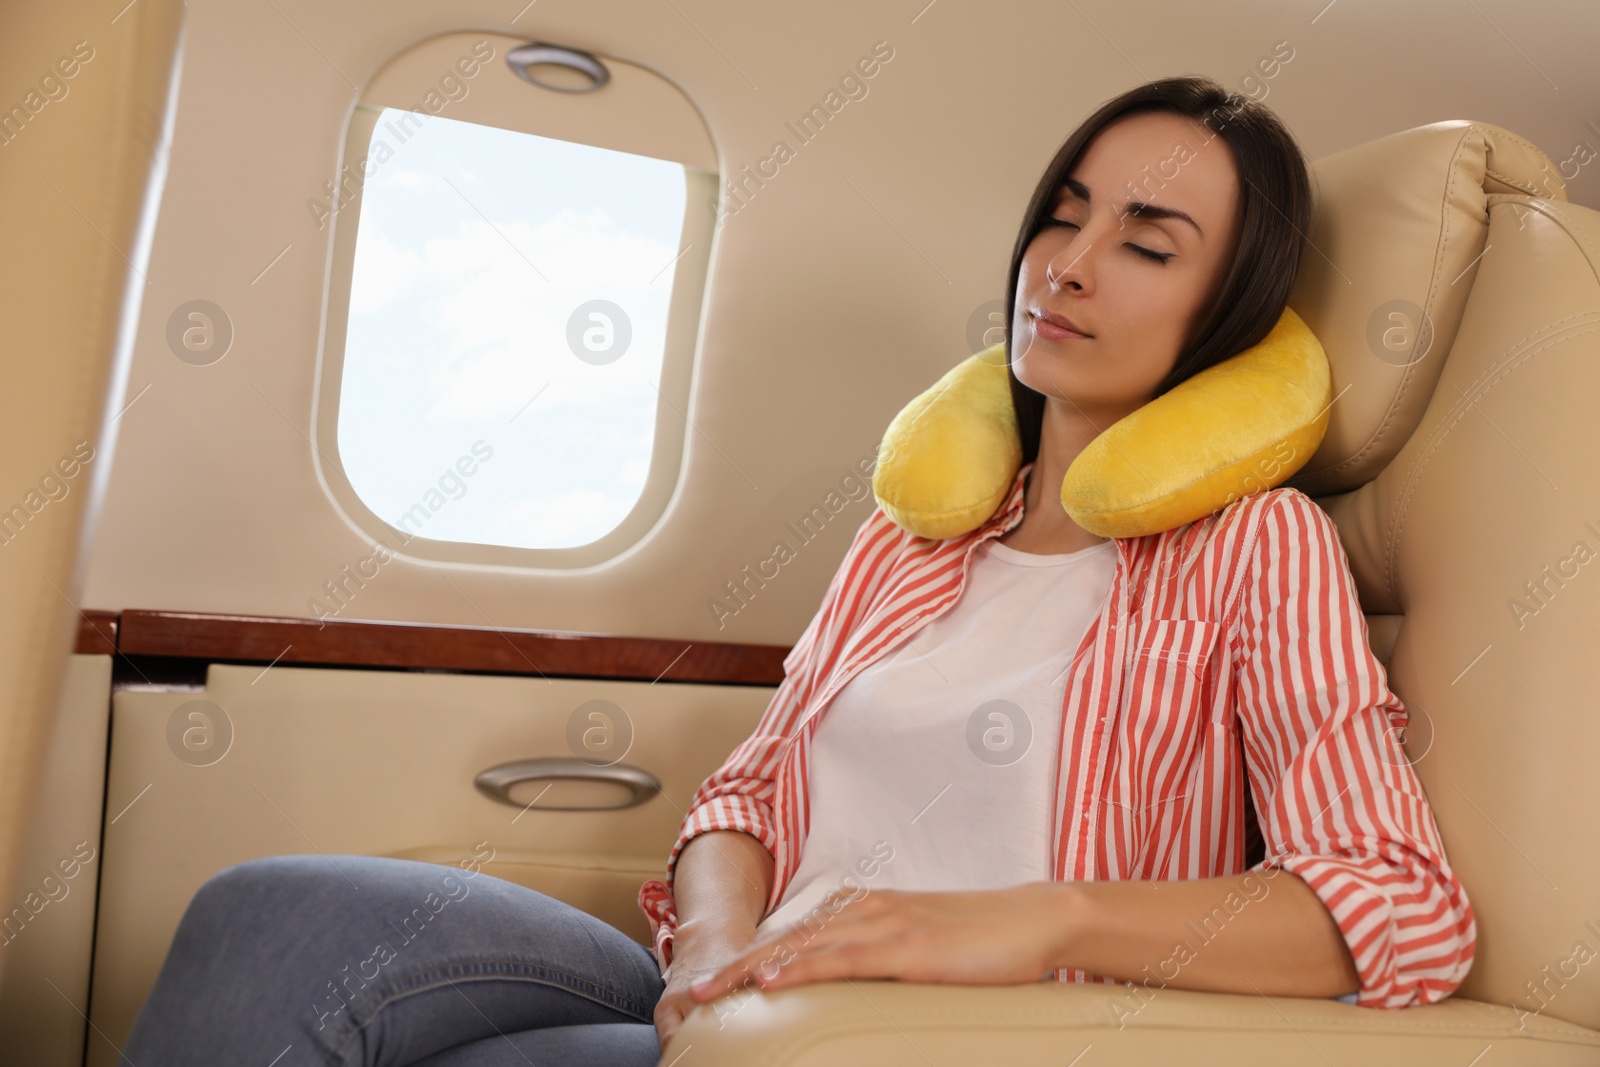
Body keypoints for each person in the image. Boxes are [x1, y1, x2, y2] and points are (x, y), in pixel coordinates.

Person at [120, 75, 1474, 1066]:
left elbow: (1398, 909)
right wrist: (710, 946)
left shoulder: (1256, 551)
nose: (1066, 266)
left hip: (920, 1033)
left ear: (1223, 318)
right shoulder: (919, 534)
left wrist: (1024, 920)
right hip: (748, 979)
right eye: (1064, 216)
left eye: (1145, 243)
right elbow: (745, 790)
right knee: (267, 915)